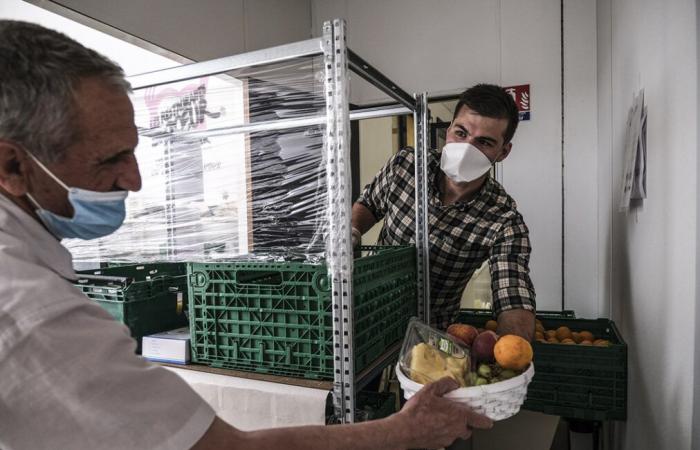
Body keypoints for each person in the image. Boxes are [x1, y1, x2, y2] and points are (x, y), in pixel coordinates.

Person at [0, 20, 493, 450]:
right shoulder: (32, 313)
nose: (135, 180)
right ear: (11, 165)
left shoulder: (502, 216)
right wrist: (402, 432)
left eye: (133, 152)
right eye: (110, 159)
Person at [352, 84, 536, 340]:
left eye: (484, 142)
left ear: (503, 152)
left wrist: (514, 354)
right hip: (370, 312)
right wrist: (352, 230)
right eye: (461, 133)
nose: (466, 148)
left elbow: (512, 295)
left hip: (431, 335)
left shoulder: (503, 220)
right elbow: (369, 204)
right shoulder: (406, 166)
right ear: (448, 130)